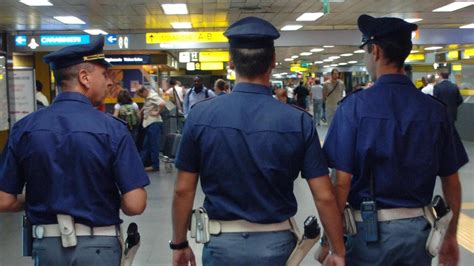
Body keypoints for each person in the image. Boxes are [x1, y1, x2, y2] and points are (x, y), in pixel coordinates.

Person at [171, 16, 345, 266]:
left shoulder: (200, 116)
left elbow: (183, 189)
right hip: (277, 245)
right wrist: (336, 250)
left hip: (222, 246)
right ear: (273, 62)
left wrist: (179, 243)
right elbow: (324, 196)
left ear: (230, 62)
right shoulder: (298, 121)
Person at [322, 14, 468, 266]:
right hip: (419, 236)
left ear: (375, 51)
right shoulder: (435, 111)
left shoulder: (353, 108)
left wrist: (332, 243)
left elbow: (341, 183)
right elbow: (451, 181)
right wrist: (450, 237)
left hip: (368, 235)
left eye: (365, 51)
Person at [0, 36, 149, 265]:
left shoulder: (24, 129)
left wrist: (38, 197)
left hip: (46, 247)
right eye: (104, 75)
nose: (108, 82)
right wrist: (99, 196)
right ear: (84, 77)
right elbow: (135, 204)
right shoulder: (113, 130)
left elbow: (4, 200)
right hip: (99, 247)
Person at [136, 86, 166, 172]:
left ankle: (155, 166)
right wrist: (141, 111)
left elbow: (162, 103)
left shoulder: (152, 96)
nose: (141, 97)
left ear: (144, 91)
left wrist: (157, 112)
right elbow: (147, 106)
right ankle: (140, 165)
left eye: (141, 95)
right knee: (146, 145)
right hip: (149, 124)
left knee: (153, 145)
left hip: (154, 123)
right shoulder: (148, 97)